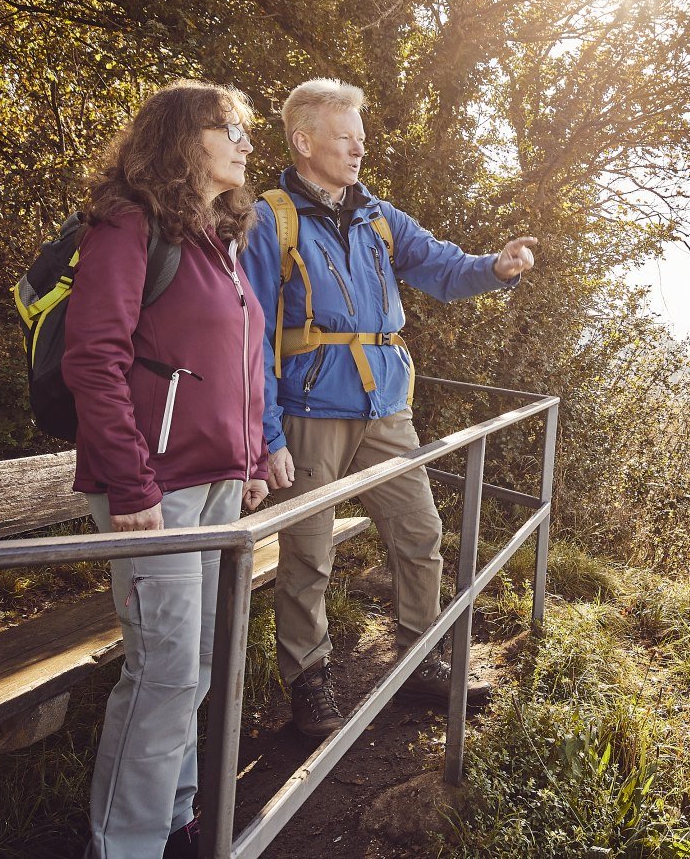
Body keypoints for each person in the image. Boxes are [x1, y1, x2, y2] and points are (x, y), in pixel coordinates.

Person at [242, 77, 535, 739]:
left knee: (419, 533)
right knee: (307, 556)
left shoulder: (379, 218)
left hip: (385, 407)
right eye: (344, 138)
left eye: (361, 139)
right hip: (308, 410)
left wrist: (495, 268)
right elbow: (250, 337)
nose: (358, 150)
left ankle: (419, 660)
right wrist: (267, 435)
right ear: (303, 141)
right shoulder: (270, 221)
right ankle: (308, 683)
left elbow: (441, 268)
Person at [63, 81, 271, 859]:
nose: (246, 144)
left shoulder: (218, 239)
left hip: (216, 485)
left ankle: (176, 820)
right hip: (157, 491)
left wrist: (250, 458)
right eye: (230, 129)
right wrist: (131, 483)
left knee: (199, 668)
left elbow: (239, 360)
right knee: (164, 675)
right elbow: (94, 358)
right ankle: (123, 846)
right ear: (184, 137)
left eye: (246, 131)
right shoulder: (130, 224)